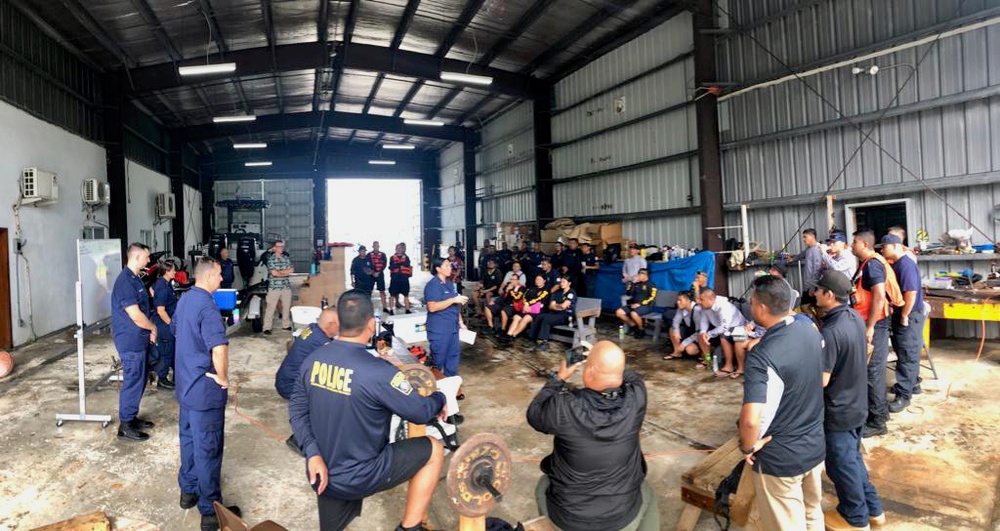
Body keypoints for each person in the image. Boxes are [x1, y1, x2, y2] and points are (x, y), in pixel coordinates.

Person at [289, 291, 447, 531]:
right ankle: (410, 527)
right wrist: (440, 397)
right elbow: (421, 412)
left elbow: (297, 410)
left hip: (322, 472)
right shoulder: (379, 372)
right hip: (363, 474)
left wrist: (312, 453)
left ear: (339, 323)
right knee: (435, 448)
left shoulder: (313, 360)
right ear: (372, 325)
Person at [527, 341, 658, 531]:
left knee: (542, 485)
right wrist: (608, 361)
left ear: (588, 372)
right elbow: (633, 378)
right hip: (621, 515)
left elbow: (535, 414)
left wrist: (559, 377)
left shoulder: (564, 406)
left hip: (571, 518)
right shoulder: (637, 397)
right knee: (647, 493)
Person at [738, 275, 825, 531]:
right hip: (815, 445)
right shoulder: (808, 327)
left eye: (752, 302)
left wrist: (748, 446)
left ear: (761, 308)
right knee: (812, 514)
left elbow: (752, 419)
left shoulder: (761, 358)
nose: (751, 306)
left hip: (782, 460)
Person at [813, 270, 887, 530]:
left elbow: (821, 380)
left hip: (839, 410)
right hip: (857, 403)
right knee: (853, 460)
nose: (814, 294)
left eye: (818, 290)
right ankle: (874, 510)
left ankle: (854, 518)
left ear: (829, 295)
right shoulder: (854, 317)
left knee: (840, 465)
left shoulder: (830, 332)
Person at [172, 257, 240, 528]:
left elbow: (177, 331)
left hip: (186, 388)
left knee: (189, 441)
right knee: (208, 449)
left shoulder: (186, 300)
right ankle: (210, 511)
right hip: (204, 392)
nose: (222, 279)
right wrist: (223, 377)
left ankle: (188, 491)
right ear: (210, 275)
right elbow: (219, 348)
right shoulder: (208, 308)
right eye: (220, 274)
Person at [850, 230, 903, 438]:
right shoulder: (868, 264)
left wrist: (870, 327)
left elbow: (880, 296)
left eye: (854, 242)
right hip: (873, 322)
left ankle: (878, 421)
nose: (852, 245)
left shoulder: (872, 265)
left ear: (863, 244)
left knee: (873, 372)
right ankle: (879, 414)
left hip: (876, 325)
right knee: (871, 371)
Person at [111, 243, 157, 441]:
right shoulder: (125, 282)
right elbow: (136, 316)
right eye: (146, 257)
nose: (149, 261)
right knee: (133, 379)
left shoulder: (135, 279)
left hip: (139, 339)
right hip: (130, 341)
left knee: (139, 378)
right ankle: (125, 426)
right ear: (137, 257)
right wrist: (152, 327)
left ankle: (131, 417)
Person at [276, 308, 339, 452]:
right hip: (290, 386)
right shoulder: (320, 342)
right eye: (338, 325)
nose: (340, 329)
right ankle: (300, 440)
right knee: (333, 396)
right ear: (330, 325)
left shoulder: (313, 328)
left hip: (286, 378)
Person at [881, 234, 925, 413]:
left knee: (907, 354)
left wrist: (904, 315)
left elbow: (911, 293)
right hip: (904, 314)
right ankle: (913, 384)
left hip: (910, 315)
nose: (882, 251)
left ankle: (903, 396)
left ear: (894, 246)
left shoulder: (905, 264)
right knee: (905, 351)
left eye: (884, 247)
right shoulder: (897, 264)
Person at [424, 257, 468, 378]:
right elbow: (432, 307)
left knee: (453, 358)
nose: (450, 268)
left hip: (453, 328)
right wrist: (453, 299)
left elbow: (455, 305)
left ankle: (452, 387)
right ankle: (435, 388)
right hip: (439, 330)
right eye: (447, 266)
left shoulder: (449, 283)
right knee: (438, 359)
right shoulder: (433, 285)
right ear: (438, 269)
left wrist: (460, 322)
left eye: (450, 265)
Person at [696, 288, 748, 377]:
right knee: (700, 335)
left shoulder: (724, 306)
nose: (699, 302)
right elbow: (703, 322)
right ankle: (707, 361)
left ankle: (733, 367)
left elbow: (724, 327)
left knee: (724, 336)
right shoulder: (705, 307)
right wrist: (703, 332)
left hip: (739, 327)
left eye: (702, 299)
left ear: (711, 299)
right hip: (721, 328)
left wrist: (709, 334)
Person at [530, 277, 577, 351]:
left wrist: (557, 305)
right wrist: (559, 306)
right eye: (561, 282)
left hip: (566, 316)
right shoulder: (558, 292)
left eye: (564, 282)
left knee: (547, 319)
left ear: (569, 283)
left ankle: (544, 343)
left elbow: (563, 306)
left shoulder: (571, 293)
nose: (561, 283)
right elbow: (551, 306)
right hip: (555, 313)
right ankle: (533, 339)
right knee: (539, 317)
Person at [152, 261, 178, 390]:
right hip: (164, 324)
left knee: (172, 351)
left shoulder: (166, 284)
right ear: (167, 271)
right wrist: (171, 325)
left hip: (167, 322)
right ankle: (161, 379)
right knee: (166, 352)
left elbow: (151, 290)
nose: (175, 272)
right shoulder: (162, 286)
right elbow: (160, 310)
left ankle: (173, 376)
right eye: (173, 270)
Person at [501, 275, 550, 344]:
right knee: (516, 317)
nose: (537, 281)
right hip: (526, 308)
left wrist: (528, 304)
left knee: (526, 318)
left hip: (536, 311)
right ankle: (508, 334)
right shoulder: (531, 288)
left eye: (539, 280)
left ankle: (513, 335)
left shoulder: (545, 291)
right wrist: (526, 303)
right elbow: (524, 296)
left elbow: (539, 299)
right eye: (536, 279)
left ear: (544, 281)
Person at [263, 240, 294, 335]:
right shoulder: (271, 259)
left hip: (286, 287)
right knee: (270, 308)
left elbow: (291, 270)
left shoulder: (286, 258)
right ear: (274, 248)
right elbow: (273, 273)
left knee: (286, 307)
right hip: (274, 287)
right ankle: (267, 327)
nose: (280, 248)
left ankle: (286, 325)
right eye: (278, 246)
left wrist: (280, 272)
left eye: (282, 246)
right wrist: (284, 272)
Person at [614, 269, 657, 339]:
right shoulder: (636, 283)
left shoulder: (651, 284)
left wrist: (640, 304)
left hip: (646, 305)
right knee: (619, 312)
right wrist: (633, 283)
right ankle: (634, 327)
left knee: (633, 314)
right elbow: (628, 293)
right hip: (634, 304)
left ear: (645, 275)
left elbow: (652, 297)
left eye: (641, 274)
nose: (638, 275)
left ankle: (641, 329)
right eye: (638, 273)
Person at [787, 228, 823, 305]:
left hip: (812, 286)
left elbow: (817, 269)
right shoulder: (809, 249)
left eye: (805, 237)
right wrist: (792, 259)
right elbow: (801, 255)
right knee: (807, 307)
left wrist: (813, 287)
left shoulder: (816, 250)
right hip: (808, 285)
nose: (803, 239)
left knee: (806, 306)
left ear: (812, 237)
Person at [663, 291, 701, 362]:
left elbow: (699, 332)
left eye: (680, 300)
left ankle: (702, 353)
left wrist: (684, 343)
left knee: (690, 350)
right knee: (672, 329)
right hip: (689, 331)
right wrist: (676, 330)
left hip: (698, 336)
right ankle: (677, 352)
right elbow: (675, 321)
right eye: (677, 300)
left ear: (688, 301)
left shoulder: (697, 310)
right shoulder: (681, 308)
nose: (678, 302)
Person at [388, 243, 413, 315]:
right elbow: (391, 266)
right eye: (397, 248)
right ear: (395, 249)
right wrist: (400, 264)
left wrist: (397, 265)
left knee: (406, 295)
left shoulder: (406, 257)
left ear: (403, 249)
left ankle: (407, 309)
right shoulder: (392, 257)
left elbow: (407, 264)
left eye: (400, 248)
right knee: (392, 295)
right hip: (394, 279)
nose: (399, 249)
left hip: (404, 279)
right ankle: (391, 309)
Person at [370, 241, 389, 314]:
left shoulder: (383, 255)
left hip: (380, 274)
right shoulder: (369, 255)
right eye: (375, 246)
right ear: (373, 246)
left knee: (382, 291)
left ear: (379, 246)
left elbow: (384, 264)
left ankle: (384, 307)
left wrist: (378, 272)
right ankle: (369, 307)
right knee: (369, 291)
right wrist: (373, 272)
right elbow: (367, 264)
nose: (376, 247)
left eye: (377, 246)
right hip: (371, 275)